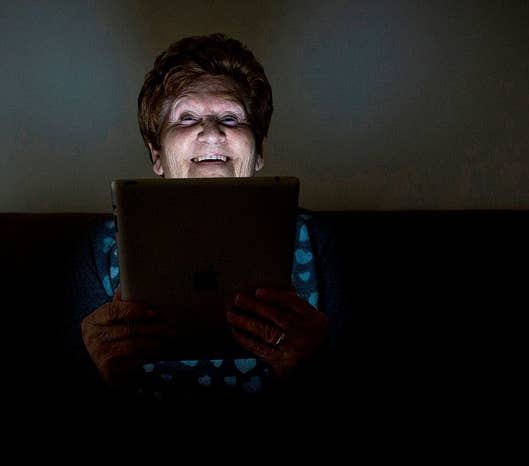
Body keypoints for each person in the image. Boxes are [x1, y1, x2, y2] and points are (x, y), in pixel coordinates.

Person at [71, 33, 345, 403]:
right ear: (157, 156)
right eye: (186, 118)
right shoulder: (102, 246)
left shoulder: (318, 239)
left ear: (258, 151)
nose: (212, 132)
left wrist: (313, 364)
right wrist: (96, 370)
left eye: (231, 117)